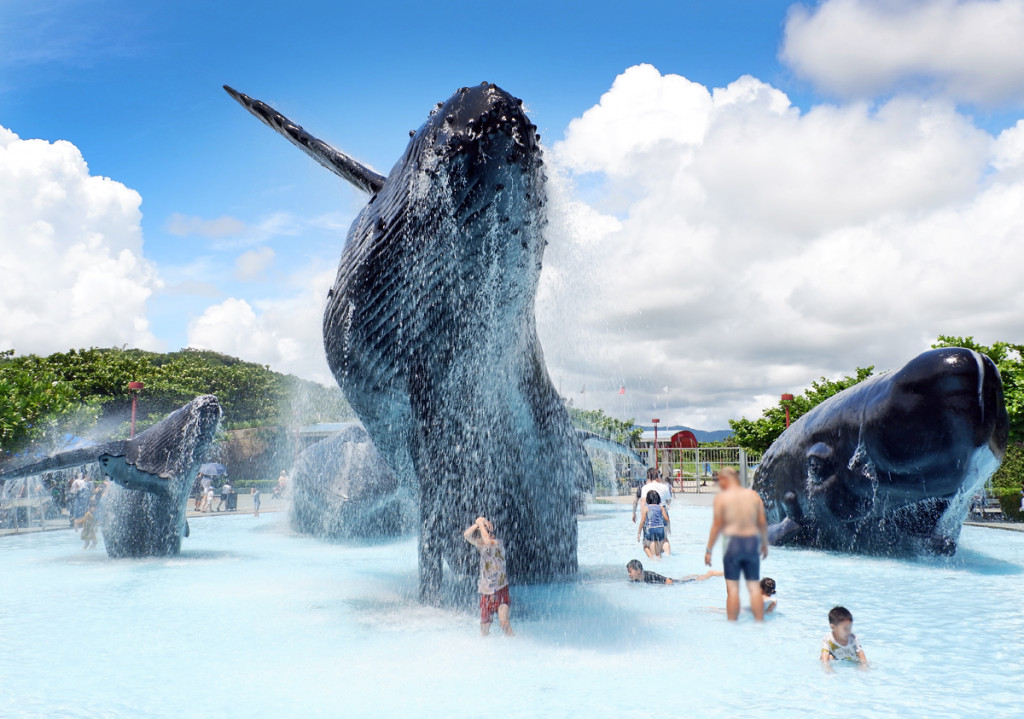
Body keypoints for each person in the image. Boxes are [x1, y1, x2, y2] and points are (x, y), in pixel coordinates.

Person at [704, 466, 768, 621]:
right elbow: (762, 521)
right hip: (751, 544)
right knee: (753, 587)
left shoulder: (723, 498)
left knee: (732, 590)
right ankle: (758, 625)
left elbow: (717, 525)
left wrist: (709, 549)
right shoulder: (753, 495)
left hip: (733, 544)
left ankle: (732, 626)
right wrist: (764, 543)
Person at [463, 516, 513, 637]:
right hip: (486, 592)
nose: (488, 534)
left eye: (489, 532)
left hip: (501, 590)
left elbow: (487, 540)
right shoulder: (482, 545)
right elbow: (467, 535)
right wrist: (479, 523)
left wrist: (481, 523)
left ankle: (515, 643)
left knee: (504, 623)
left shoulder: (497, 544)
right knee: (484, 628)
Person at [821, 606, 868, 670]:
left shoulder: (852, 639)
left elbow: (862, 657)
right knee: (824, 658)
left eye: (850, 627)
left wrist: (864, 667)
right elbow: (824, 660)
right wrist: (828, 669)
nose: (848, 631)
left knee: (862, 665)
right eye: (845, 628)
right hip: (837, 658)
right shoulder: (827, 639)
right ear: (833, 627)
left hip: (853, 661)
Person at [626, 559, 723, 585]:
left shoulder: (650, 575)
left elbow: (668, 581)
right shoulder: (636, 580)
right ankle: (693, 575)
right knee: (684, 579)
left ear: (638, 571)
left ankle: (710, 574)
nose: (629, 574)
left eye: (630, 572)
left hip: (671, 583)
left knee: (693, 581)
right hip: (670, 581)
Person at [637, 490, 670, 558]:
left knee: (645, 546)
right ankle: (659, 559)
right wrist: (668, 527)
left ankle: (652, 558)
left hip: (650, 529)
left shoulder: (646, 508)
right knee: (658, 551)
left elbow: (643, 521)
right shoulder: (661, 507)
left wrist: (639, 532)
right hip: (660, 529)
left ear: (648, 499)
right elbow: (666, 519)